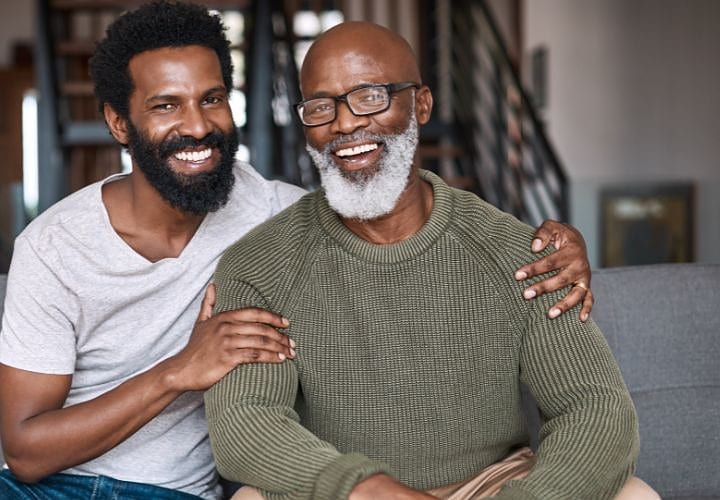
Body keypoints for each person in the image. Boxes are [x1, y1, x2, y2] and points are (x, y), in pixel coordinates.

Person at [0, 3, 592, 500]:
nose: (197, 126)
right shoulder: (54, 246)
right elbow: (27, 451)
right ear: (119, 122)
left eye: (212, 99)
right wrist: (180, 370)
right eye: (165, 106)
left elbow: (399, 208)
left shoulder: (278, 217)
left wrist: (556, 241)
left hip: (175, 496)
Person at [204, 21, 659, 500]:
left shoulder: (519, 252)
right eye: (321, 107)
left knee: (635, 496)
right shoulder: (259, 265)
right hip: (348, 492)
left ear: (420, 104)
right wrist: (366, 488)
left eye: (370, 96)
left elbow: (593, 407)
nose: (344, 123)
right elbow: (246, 422)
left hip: (493, 487)